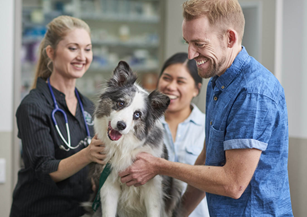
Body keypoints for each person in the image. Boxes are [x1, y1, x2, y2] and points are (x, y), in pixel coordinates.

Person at [119, 0, 294, 216]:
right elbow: (208, 158)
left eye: (199, 44)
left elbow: (233, 184)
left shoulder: (252, 92)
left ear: (229, 38)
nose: (191, 55)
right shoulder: (217, 82)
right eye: (188, 43)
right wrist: (177, 214)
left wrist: (159, 166)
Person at [10, 16, 106, 217]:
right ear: (51, 53)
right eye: (73, 48)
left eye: (87, 49)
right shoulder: (33, 106)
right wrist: (88, 154)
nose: (82, 56)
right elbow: (46, 168)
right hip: (39, 211)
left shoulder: (88, 108)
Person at [157, 52, 209, 217]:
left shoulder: (209, 128)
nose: (171, 87)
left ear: (196, 89)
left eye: (180, 81)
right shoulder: (143, 125)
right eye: (166, 78)